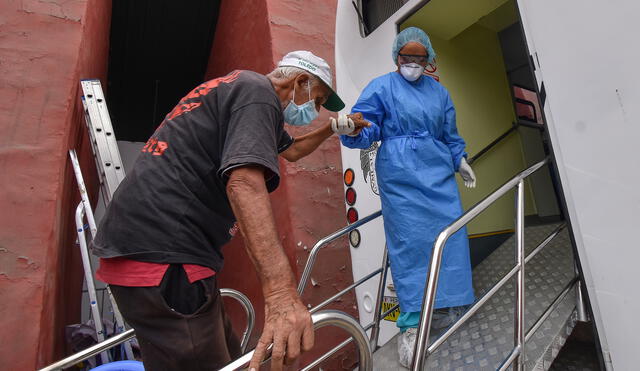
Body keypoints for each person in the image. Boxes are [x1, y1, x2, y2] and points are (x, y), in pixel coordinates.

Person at [91, 50, 366, 371]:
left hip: (157, 252)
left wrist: (334, 128)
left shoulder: (242, 91)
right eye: (317, 100)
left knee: (231, 361)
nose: (315, 111)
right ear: (301, 81)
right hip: (166, 257)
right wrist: (281, 295)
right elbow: (244, 183)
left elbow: (291, 151)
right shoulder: (257, 94)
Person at [340, 27, 477, 367]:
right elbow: (366, 126)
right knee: (410, 245)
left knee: (450, 238)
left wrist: (460, 160)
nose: (412, 63)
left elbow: (449, 134)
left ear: (428, 59)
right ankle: (412, 326)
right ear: (397, 58)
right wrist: (353, 127)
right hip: (400, 175)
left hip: (438, 173)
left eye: (419, 58)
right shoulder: (382, 87)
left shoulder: (439, 93)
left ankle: (448, 306)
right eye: (407, 57)